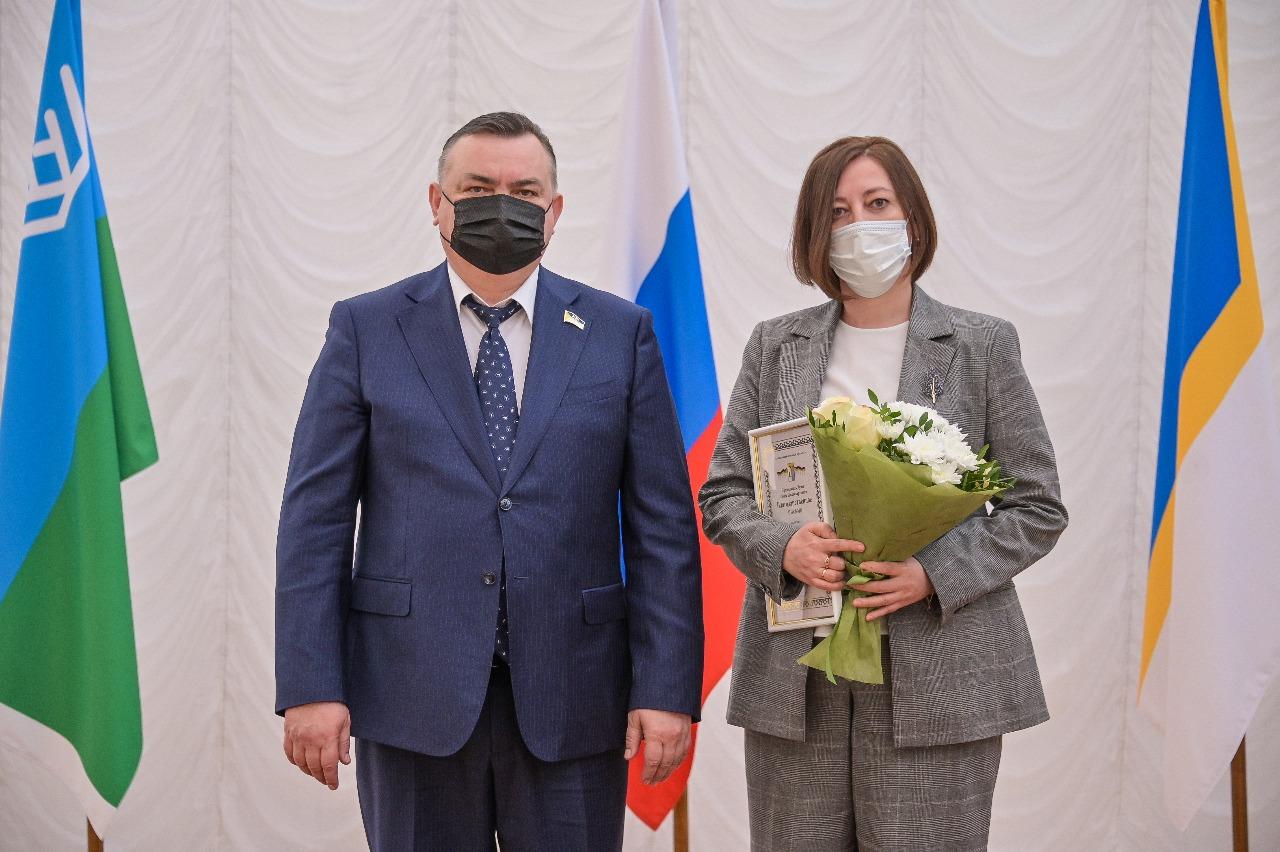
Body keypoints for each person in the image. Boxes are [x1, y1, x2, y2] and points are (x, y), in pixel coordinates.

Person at [275, 111, 703, 852]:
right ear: (436, 202)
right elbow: (315, 521)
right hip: (410, 696)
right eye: (477, 188)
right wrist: (312, 683)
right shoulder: (366, 328)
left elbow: (662, 530)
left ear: (555, 211)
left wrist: (665, 688)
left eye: (524, 191)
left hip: (575, 700)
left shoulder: (620, 334)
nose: (502, 205)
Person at [699, 136, 1068, 851]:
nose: (858, 225)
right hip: (796, 679)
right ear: (814, 231)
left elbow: (1036, 505)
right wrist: (784, 548)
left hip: (940, 676)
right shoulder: (775, 345)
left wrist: (932, 573)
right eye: (838, 212)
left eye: (877, 204)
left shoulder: (982, 345)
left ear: (914, 222)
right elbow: (725, 493)